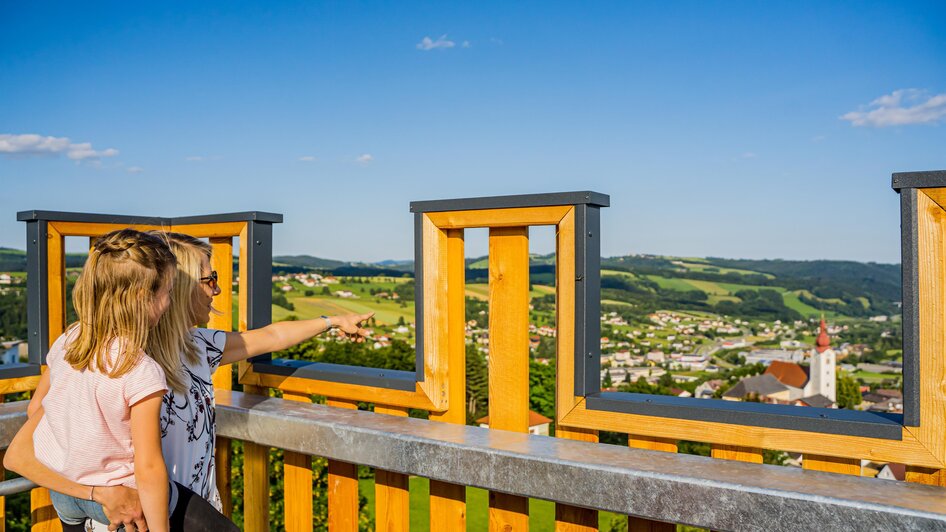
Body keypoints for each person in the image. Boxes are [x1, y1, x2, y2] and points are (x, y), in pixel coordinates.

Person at [7, 230, 374, 531]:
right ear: (172, 288)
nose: (217, 288)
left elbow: (271, 336)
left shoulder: (196, 347)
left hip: (183, 510)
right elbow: (37, 430)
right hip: (134, 518)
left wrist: (330, 321)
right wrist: (95, 493)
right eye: (210, 277)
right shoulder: (111, 358)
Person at [6, 229, 176, 532]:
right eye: (167, 292)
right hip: (119, 499)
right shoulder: (140, 370)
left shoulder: (69, 341)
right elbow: (149, 468)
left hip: (66, 492)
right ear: (142, 298)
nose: (168, 303)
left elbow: (37, 410)